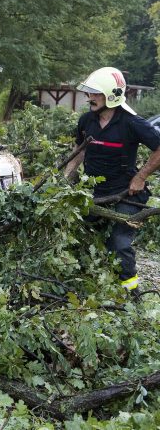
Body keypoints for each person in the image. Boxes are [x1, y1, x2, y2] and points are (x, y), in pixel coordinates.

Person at [64, 67, 160, 294]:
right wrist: (66, 178)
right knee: (76, 233)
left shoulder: (132, 123)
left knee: (119, 241)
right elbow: (79, 150)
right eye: (90, 93)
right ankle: (90, 283)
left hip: (127, 194)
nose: (90, 98)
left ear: (111, 95)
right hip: (94, 194)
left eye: (96, 93)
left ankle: (131, 293)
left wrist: (141, 177)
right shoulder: (87, 121)